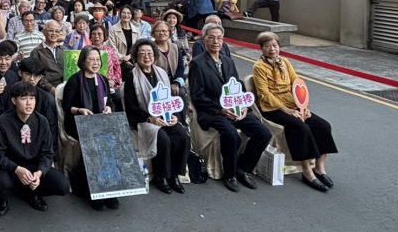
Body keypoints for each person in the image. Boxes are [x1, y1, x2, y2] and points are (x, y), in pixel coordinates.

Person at [188, 23, 271, 192]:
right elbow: (198, 95)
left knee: (263, 133)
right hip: (213, 111)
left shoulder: (228, 61)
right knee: (231, 134)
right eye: (211, 38)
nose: (216, 41)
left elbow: (237, 86)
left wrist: (242, 107)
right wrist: (221, 109)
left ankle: (244, 168)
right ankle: (230, 174)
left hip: (235, 108)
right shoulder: (197, 63)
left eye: (219, 38)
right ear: (204, 40)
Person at [252, 32, 337, 192]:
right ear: (261, 49)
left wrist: (303, 107)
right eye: (267, 46)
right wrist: (287, 110)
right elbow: (265, 94)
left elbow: (297, 84)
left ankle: (320, 168)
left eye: (275, 45)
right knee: (300, 127)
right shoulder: (259, 67)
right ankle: (307, 172)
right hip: (273, 108)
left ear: (279, 47)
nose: (272, 49)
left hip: (294, 105)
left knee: (323, 126)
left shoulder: (285, 62)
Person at [0, 81, 69, 216]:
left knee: (62, 186)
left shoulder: (42, 121)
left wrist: (40, 173)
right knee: (1, 182)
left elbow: (48, 154)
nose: (29, 103)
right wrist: (17, 169)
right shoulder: (3, 121)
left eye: (32, 98)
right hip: (12, 166)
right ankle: (2, 200)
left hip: (34, 164)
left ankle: (33, 193)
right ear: (14, 100)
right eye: (23, 98)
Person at [124, 40, 190, 194]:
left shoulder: (161, 73)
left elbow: (169, 100)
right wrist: (149, 118)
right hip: (143, 119)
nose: (146, 56)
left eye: (150, 53)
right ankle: (161, 176)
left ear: (154, 55)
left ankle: (174, 176)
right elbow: (131, 106)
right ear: (136, 56)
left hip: (165, 115)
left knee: (181, 136)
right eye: (142, 53)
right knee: (163, 139)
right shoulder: (132, 76)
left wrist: (173, 116)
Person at [61, 46, 119, 210]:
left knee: (114, 142)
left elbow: (110, 103)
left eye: (98, 60)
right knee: (95, 146)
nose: (95, 63)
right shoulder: (74, 80)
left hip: (100, 121)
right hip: (79, 122)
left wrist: (108, 108)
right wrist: (80, 110)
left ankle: (111, 190)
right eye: (91, 60)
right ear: (83, 62)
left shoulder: (103, 80)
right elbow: (67, 106)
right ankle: (94, 192)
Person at [30, 20, 64, 94]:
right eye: (51, 31)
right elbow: (37, 75)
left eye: (57, 31)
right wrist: (52, 89)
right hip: (47, 89)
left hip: (65, 86)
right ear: (44, 32)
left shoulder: (63, 50)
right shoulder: (36, 52)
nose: (54, 33)